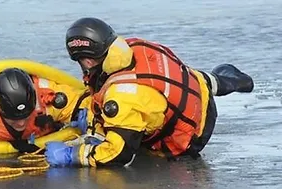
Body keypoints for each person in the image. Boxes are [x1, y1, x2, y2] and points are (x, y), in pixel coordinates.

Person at [45, 17, 254, 167]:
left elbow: (119, 154)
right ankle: (223, 80)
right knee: (195, 84)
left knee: (124, 132)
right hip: (194, 83)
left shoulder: (121, 97)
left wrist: (73, 155)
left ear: (88, 60)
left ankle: (219, 82)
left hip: (192, 133)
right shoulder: (130, 47)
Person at [0, 67, 89, 171]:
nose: (20, 123)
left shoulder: (50, 97)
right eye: (12, 118)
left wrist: (87, 117)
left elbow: (86, 101)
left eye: (26, 116)